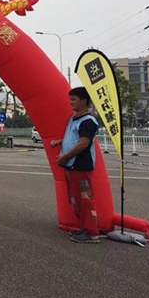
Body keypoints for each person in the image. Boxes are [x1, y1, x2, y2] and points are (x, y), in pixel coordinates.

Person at [51, 87, 100, 244]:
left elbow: (83, 143)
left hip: (81, 166)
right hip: (71, 166)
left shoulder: (88, 121)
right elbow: (73, 137)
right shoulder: (73, 118)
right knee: (76, 199)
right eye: (70, 99)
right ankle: (84, 228)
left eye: (74, 99)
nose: (71, 102)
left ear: (84, 100)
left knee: (85, 199)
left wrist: (65, 156)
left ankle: (92, 233)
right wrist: (60, 142)